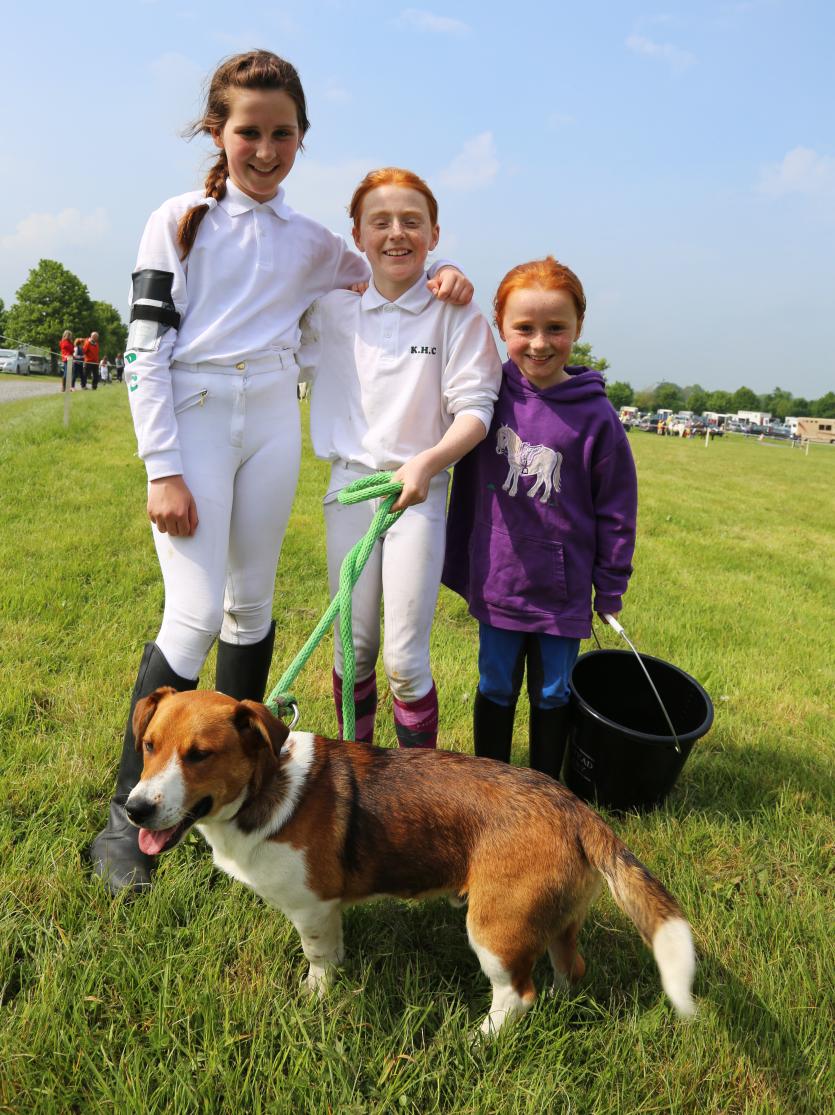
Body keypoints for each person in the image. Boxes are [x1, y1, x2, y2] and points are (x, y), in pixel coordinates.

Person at [89, 50, 473, 895]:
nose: (264, 149)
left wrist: (445, 275)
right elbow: (142, 351)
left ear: (302, 137)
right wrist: (162, 467)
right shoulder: (178, 219)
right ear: (217, 133)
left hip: (269, 418)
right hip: (192, 415)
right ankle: (126, 817)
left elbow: (383, 273)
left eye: (282, 134)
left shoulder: (311, 241)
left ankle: (234, 798)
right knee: (191, 616)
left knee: (251, 607)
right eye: (247, 132)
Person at [300, 168, 502, 749]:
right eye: (381, 222)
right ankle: (360, 774)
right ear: (358, 235)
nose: (396, 234)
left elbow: (476, 410)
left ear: (434, 234)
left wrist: (426, 464)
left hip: (419, 491)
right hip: (349, 490)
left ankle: (420, 786)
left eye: (412, 222)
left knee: (404, 660)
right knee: (353, 647)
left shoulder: (455, 312)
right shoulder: (331, 310)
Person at [442, 258, 637, 778]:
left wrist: (610, 585)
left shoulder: (596, 417)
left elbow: (617, 509)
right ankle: (490, 786)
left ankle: (546, 788)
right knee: (495, 683)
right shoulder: (483, 394)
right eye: (523, 328)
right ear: (499, 325)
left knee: (553, 690)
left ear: (578, 328)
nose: (540, 343)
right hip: (498, 576)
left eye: (557, 328)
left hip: (563, 587)